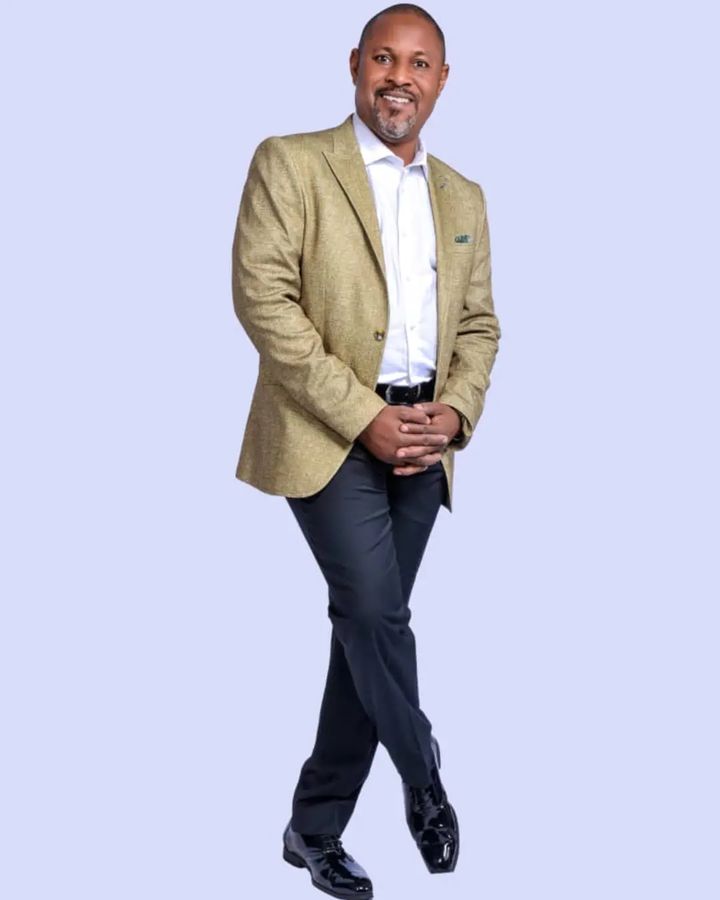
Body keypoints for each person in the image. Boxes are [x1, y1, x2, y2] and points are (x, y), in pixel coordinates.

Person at [231, 4, 501, 897]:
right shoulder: (291, 162)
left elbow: (479, 325)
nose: (399, 77)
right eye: (384, 58)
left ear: (441, 82)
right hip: (327, 432)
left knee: (364, 630)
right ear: (355, 64)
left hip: (424, 441)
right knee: (377, 618)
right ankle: (425, 778)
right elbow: (264, 300)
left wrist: (454, 414)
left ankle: (312, 830)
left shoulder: (464, 196)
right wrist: (362, 416)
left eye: (419, 64)